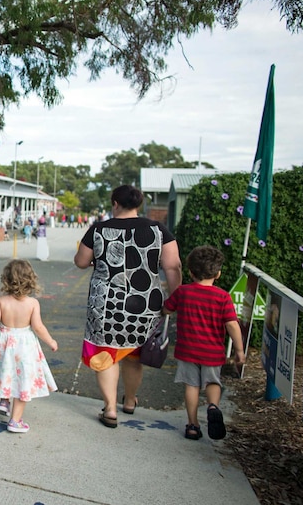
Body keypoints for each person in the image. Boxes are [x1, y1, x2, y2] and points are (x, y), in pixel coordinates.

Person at [74, 184, 182, 429]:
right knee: (134, 356)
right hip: (145, 304)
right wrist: (174, 300)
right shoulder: (158, 229)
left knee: (106, 354)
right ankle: (130, 401)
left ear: (115, 203)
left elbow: (81, 261)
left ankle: (110, 409)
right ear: (139, 205)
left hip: (106, 303)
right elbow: (173, 266)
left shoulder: (99, 229)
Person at [163, 246, 246, 440]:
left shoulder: (183, 292)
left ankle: (193, 425)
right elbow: (232, 325)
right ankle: (213, 406)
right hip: (212, 352)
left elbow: (166, 309)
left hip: (188, 350)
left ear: (190, 272)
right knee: (212, 382)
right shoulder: (222, 297)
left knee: (191, 385)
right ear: (218, 273)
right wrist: (239, 350)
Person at [0, 259, 58, 433]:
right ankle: (15, 420)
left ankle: (4, 400)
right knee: (22, 381)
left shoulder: (2, 301)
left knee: (6, 370)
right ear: (31, 280)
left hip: (4, 343)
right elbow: (38, 327)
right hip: (24, 347)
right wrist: (50, 341)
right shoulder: (32, 304)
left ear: (6, 279)